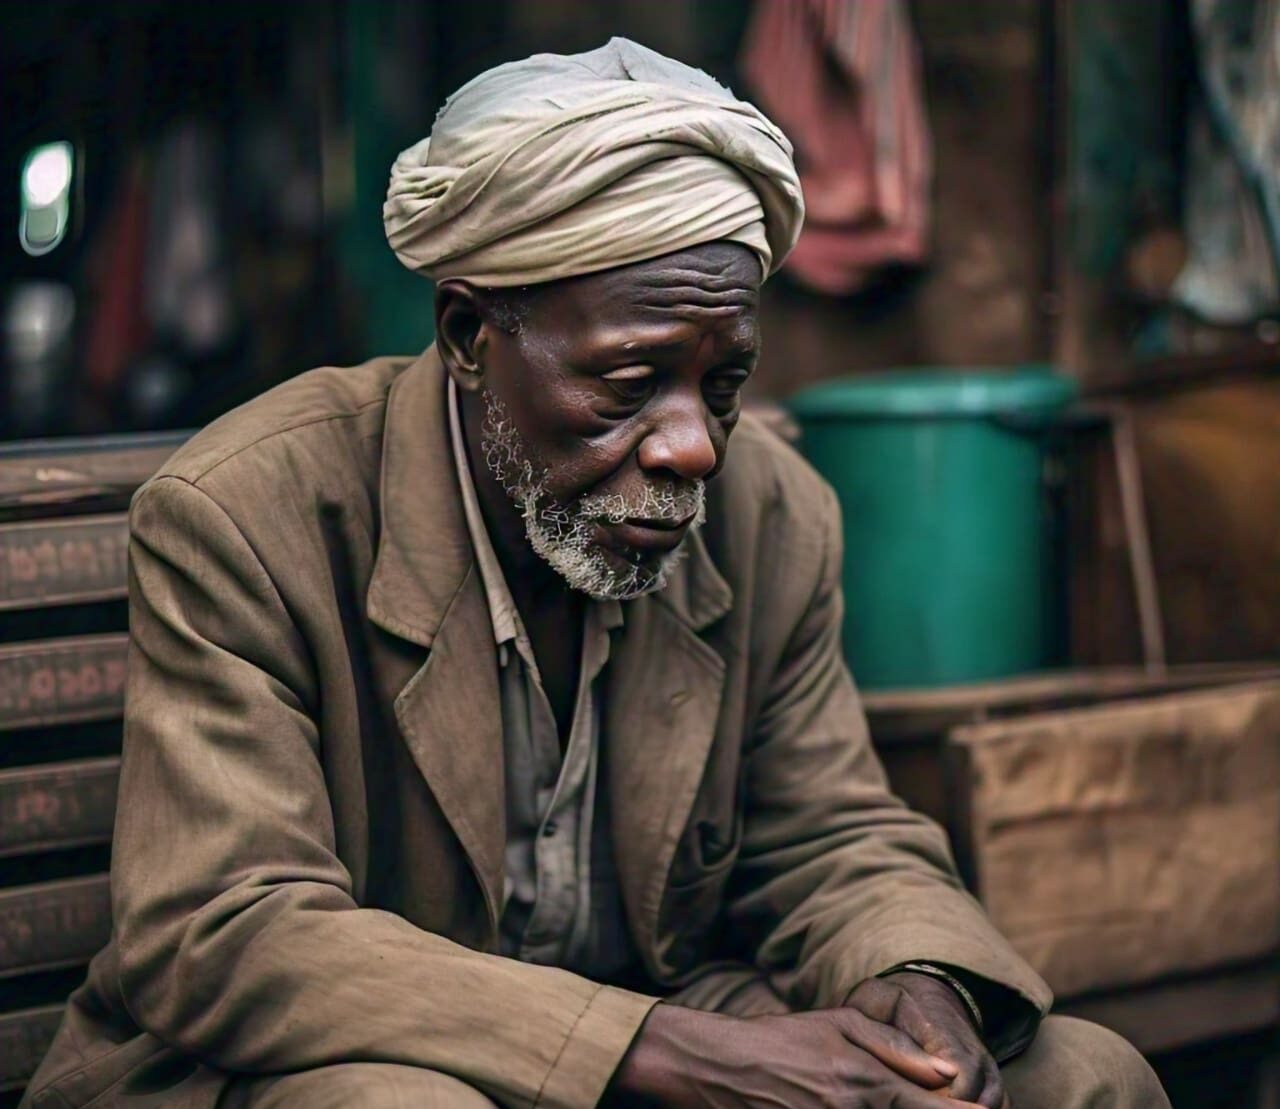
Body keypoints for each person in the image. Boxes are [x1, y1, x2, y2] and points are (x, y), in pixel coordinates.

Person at [22, 39, 1168, 1109]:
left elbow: (829, 835)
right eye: (628, 383)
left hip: (660, 1020)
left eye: (720, 382)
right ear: (469, 335)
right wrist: (655, 1050)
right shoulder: (247, 514)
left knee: (1077, 1074)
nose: (693, 445)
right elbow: (226, 927)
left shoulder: (771, 511)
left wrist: (923, 981)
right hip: (340, 1059)